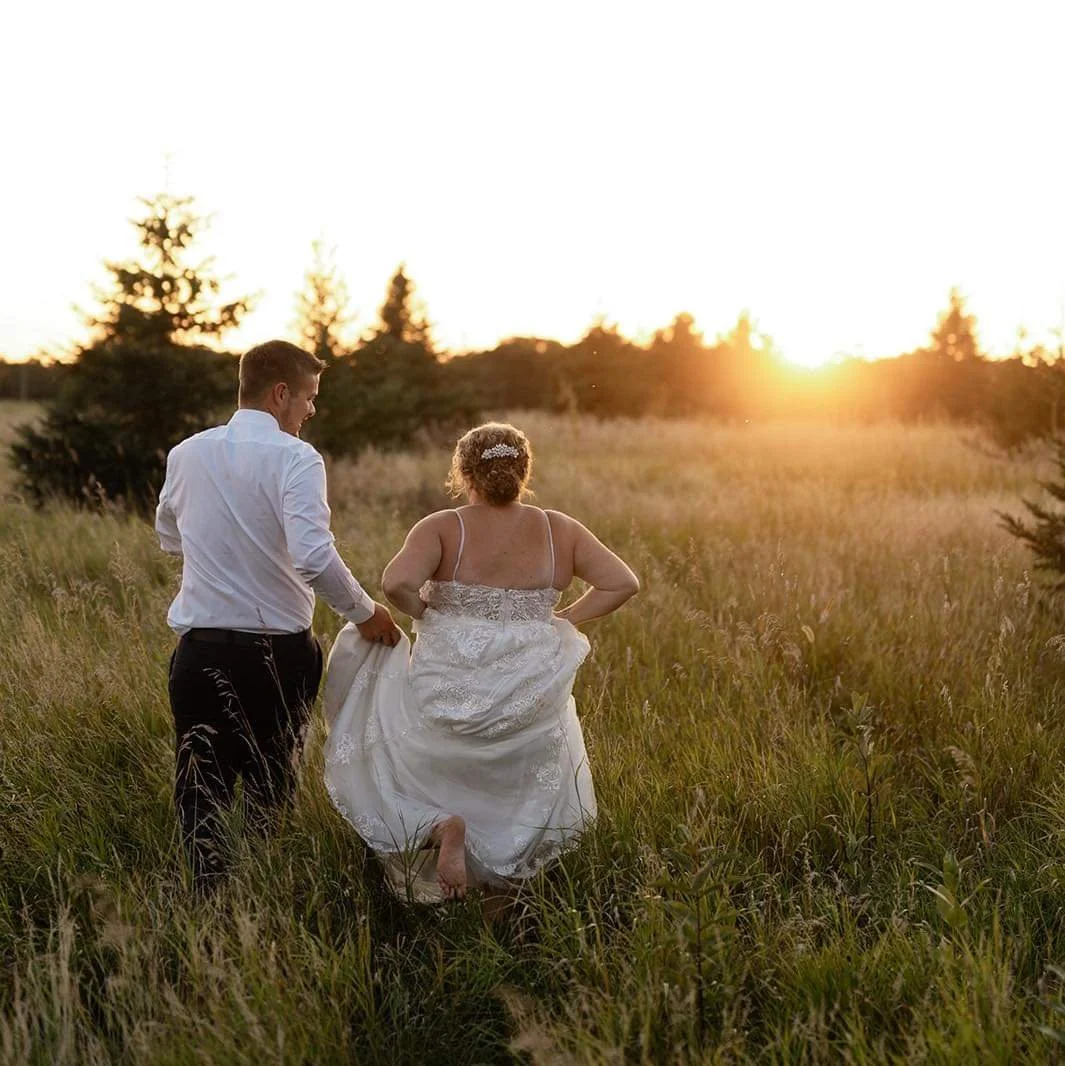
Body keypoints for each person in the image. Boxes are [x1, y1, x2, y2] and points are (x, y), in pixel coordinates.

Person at [323, 421, 639, 902]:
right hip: (530, 677)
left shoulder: (442, 527)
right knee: (517, 779)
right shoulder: (560, 529)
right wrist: (564, 616)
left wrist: (428, 614)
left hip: (449, 671)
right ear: (524, 470)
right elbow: (623, 582)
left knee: (428, 760)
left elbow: (394, 583)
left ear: (464, 472)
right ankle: (499, 901)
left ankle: (443, 827)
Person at [155, 339, 400, 893]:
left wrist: (217, 545)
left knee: (200, 790)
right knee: (271, 785)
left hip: (199, 653)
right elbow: (312, 554)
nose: (312, 410)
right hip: (276, 656)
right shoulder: (296, 458)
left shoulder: (186, 452)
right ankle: (259, 909)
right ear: (281, 393)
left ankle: (209, 911)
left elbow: (168, 534)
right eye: (310, 397)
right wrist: (364, 613)